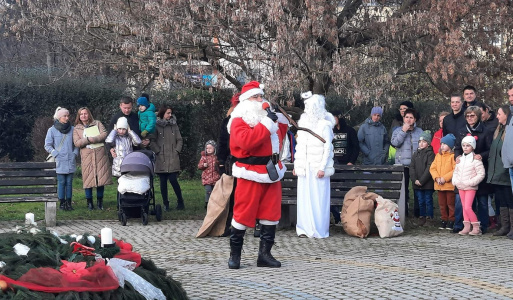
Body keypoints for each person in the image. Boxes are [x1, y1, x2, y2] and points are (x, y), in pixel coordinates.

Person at [227, 80, 289, 269]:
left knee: (271, 213)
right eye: (256, 97)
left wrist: (281, 118)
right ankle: (235, 256)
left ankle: (265, 255)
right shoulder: (238, 120)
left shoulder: (265, 120)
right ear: (245, 101)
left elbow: (280, 136)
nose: (260, 100)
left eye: (261, 96)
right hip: (249, 172)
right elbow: (248, 142)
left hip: (271, 171)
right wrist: (268, 122)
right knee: (242, 213)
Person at [293, 92, 335, 238]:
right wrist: (298, 166)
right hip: (306, 168)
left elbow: (328, 148)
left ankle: (318, 229)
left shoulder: (325, 125)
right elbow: (300, 146)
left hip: (318, 168)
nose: (307, 110)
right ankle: (304, 228)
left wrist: (322, 167)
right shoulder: (303, 124)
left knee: (319, 199)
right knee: (304, 198)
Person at [453, 106, 492, 234]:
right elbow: (458, 147)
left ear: (478, 116)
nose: (470, 118)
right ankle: (462, 224)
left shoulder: (485, 131)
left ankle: (483, 225)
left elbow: (490, 149)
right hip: (464, 170)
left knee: (482, 200)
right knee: (462, 201)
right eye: (468, 116)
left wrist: (482, 155)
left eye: (472, 115)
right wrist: (457, 156)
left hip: (478, 168)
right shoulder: (461, 130)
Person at [72, 107, 112, 210]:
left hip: (99, 154)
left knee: (100, 178)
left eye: (85, 113)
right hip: (87, 156)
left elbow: (104, 134)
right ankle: (89, 202)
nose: (83, 116)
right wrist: (87, 140)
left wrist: (95, 139)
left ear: (89, 114)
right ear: (79, 116)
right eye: (81, 114)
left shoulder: (97, 123)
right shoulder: (77, 128)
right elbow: (77, 142)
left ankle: (100, 202)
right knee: (88, 179)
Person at [149, 105, 185, 211]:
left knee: (173, 179)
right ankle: (166, 204)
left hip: (173, 157)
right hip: (161, 157)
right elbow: (152, 140)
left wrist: (177, 150)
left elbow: (180, 139)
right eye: (168, 113)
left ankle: (180, 201)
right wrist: (158, 151)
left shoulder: (174, 125)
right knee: (163, 181)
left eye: (170, 113)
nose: (170, 115)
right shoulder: (156, 125)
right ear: (162, 113)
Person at [45, 107, 79, 211]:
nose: (67, 118)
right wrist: (56, 154)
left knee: (69, 182)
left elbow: (77, 144)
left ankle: (69, 203)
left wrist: (75, 153)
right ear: (59, 117)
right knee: (61, 182)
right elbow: (47, 145)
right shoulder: (51, 130)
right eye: (64, 116)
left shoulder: (73, 129)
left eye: (68, 115)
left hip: (70, 160)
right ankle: (61, 204)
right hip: (59, 161)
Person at [391, 108, 423, 217]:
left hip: (416, 165)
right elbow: (395, 143)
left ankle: (418, 214)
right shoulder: (397, 131)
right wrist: (403, 131)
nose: (409, 120)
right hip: (402, 164)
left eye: (411, 117)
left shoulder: (419, 132)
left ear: (415, 119)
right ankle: (403, 212)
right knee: (403, 190)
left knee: (417, 189)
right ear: (403, 118)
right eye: (407, 117)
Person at [452, 136, 486, 235]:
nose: (465, 147)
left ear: (473, 147)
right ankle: (467, 226)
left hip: (470, 187)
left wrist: (471, 182)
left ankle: (476, 226)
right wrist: (455, 181)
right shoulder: (460, 159)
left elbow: (481, 174)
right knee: (463, 207)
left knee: (468, 207)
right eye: (463, 145)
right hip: (461, 186)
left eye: (468, 145)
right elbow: (456, 172)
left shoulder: (476, 160)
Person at [217, 93, 240, 236]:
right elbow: (223, 142)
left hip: (242, 161)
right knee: (230, 194)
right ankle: (227, 224)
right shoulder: (228, 121)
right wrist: (220, 161)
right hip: (232, 161)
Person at [489, 105, 513, 238]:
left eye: (499, 114)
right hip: (496, 171)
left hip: (505, 170)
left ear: (506, 115)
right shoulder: (498, 130)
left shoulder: (509, 131)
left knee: (510, 200)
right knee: (502, 201)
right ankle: (505, 226)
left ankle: (512, 227)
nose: (497, 116)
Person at [330, 110, 358, 225]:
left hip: (347, 166)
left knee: (347, 193)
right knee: (332, 192)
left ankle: (348, 217)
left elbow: (356, 147)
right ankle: (337, 217)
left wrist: (351, 161)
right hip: (333, 166)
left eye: (335, 117)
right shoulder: (329, 131)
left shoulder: (350, 131)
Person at [430, 134, 457, 230]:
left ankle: (451, 220)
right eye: (441, 143)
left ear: (450, 145)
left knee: (450, 204)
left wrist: (444, 178)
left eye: (445, 144)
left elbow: (454, 170)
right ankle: (443, 220)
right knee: (442, 204)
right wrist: (437, 178)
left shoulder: (453, 156)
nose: (442, 146)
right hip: (439, 185)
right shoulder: (438, 156)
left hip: (449, 185)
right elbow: (432, 168)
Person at [410, 130, 435, 226]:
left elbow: (429, 168)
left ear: (428, 143)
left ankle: (429, 218)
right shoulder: (415, 154)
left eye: (424, 141)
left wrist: (422, 180)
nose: (421, 143)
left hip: (427, 183)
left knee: (428, 200)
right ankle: (422, 217)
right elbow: (412, 167)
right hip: (417, 183)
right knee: (420, 201)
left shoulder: (430, 154)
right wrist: (415, 179)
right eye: (420, 141)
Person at [198, 140, 221, 209]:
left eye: (210, 148)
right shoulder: (204, 157)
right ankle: (207, 203)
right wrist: (203, 165)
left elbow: (220, 166)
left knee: (215, 192)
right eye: (207, 148)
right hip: (206, 178)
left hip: (216, 178)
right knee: (208, 191)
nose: (208, 150)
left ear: (214, 148)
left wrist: (219, 165)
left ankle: (215, 203)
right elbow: (199, 166)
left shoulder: (216, 157)